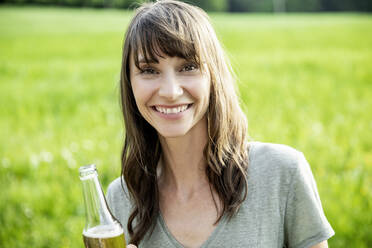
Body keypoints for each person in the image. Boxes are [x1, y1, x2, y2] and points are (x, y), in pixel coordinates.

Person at [106, 0, 335, 247]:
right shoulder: (121, 199)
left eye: (188, 67)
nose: (171, 91)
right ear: (130, 83)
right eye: (149, 70)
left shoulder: (282, 173)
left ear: (213, 76)